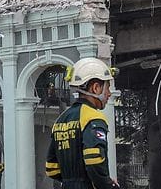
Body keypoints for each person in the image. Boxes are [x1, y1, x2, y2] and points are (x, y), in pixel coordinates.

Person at [45, 57, 119, 188]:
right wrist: (108, 185)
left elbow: (52, 168)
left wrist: (72, 181)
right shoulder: (93, 118)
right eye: (107, 87)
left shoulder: (60, 120)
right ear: (95, 88)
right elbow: (94, 160)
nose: (109, 94)